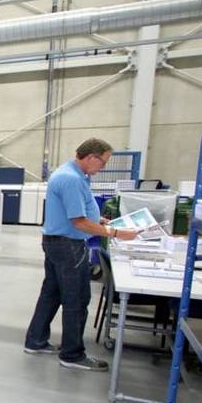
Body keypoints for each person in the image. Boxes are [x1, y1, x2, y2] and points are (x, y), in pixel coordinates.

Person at [24, 138, 138, 371]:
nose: (103, 167)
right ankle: (72, 355)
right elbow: (78, 222)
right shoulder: (71, 179)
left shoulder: (73, 175)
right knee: (76, 299)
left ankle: (35, 341)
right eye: (103, 162)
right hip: (68, 246)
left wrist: (101, 220)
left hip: (58, 243)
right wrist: (115, 232)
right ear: (90, 157)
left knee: (52, 294)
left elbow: (80, 213)